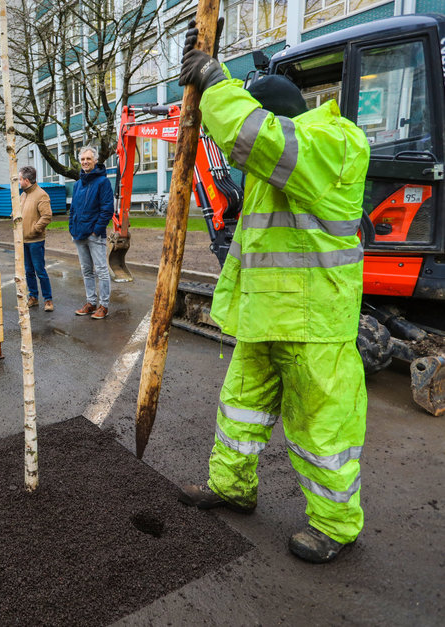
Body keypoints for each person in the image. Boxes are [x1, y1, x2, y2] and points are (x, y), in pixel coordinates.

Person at [175, 20, 369, 564]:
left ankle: (335, 524)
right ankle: (232, 486)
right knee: (240, 409)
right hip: (267, 318)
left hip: (313, 323)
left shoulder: (333, 142)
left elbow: (248, 134)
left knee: (322, 429)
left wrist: (215, 79)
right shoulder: (276, 166)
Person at [68, 146, 114, 320]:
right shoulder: (78, 184)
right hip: (79, 234)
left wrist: (96, 230)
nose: (85, 162)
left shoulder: (103, 182)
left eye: (89, 159)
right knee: (86, 271)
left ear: (95, 161)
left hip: (94, 235)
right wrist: (72, 227)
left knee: (101, 271)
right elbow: (73, 209)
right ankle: (90, 303)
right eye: (83, 159)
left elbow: (107, 209)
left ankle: (104, 306)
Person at [19, 165, 54, 312]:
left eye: (20, 179)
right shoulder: (23, 195)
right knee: (28, 271)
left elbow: (47, 216)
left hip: (35, 241)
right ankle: (33, 297)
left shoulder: (41, 195)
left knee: (40, 270)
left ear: (26, 180)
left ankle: (48, 300)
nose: (19, 182)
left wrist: (35, 230)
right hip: (23, 241)